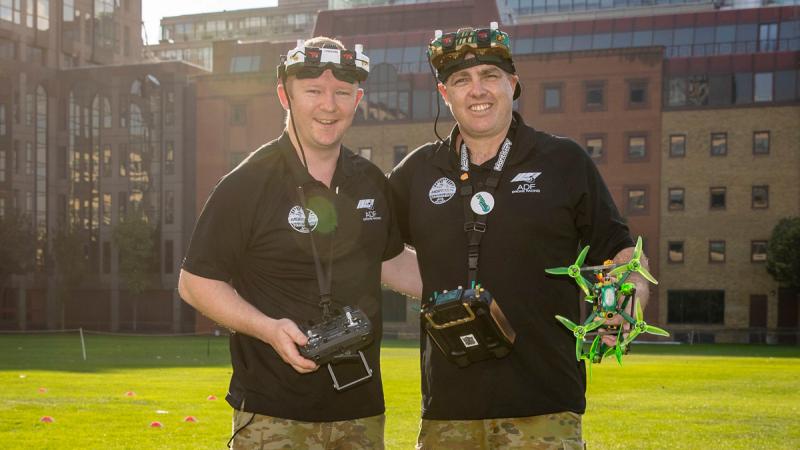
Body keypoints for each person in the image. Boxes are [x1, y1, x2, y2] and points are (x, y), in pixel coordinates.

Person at [388, 24, 652, 449]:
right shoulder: (418, 171)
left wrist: (627, 300)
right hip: (448, 414)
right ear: (445, 94)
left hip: (545, 407)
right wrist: (437, 286)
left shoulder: (563, 160)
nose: (477, 91)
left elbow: (620, 251)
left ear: (512, 84)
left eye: (490, 77)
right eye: (461, 81)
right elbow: (375, 248)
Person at [178, 36, 420, 449]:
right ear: (284, 96)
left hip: (360, 411)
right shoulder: (246, 183)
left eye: (342, 92)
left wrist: (484, 285)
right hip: (273, 413)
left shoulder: (370, 181)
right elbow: (195, 282)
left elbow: (393, 262)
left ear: (357, 98)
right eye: (313, 91)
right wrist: (269, 329)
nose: (329, 105)